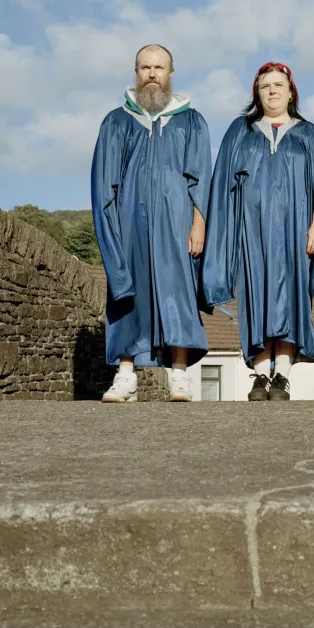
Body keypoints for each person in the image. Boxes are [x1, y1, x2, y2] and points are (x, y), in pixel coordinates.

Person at [203, 62, 314, 401]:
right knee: (255, 295)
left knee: (291, 297)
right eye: (265, 86)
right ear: (257, 94)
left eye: (278, 85)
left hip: (295, 229)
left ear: (291, 92)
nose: (272, 91)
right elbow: (223, 185)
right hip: (251, 229)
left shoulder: (308, 133)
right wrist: (226, 230)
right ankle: (261, 374)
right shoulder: (240, 131)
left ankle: (283, 375)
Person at [92, 44, 212, 403]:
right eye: (145, 67)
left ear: (171, 73)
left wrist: (199, 223)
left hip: (177, 223)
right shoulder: (117, 120)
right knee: (127, 292)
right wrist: (112, 231)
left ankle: (179, 376)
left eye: (159, 67)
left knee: (179, 294)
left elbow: (201, 177)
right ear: (136, 72)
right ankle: (125, 375)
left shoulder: (191, 120)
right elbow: (104, 183)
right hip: (130, 223)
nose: (152, 74)